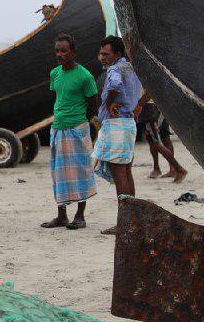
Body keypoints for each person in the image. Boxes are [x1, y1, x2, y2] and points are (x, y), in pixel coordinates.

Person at [41, 34, 99, 231]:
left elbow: (93, 104)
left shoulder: (85, 76)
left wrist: (80, 120)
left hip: (77, 129)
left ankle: (80, 216)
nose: (59, 54)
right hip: (58, 129)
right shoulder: (55, 73)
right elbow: (59, 97)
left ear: (73, 52)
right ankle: (61, 216)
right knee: (59, 174)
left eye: (64, 50)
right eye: (57, 50)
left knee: (81, 171)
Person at [92, 35, 141, 234]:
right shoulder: (131, 68)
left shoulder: (115, 70)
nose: (102, 57)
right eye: (101, 53)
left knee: (119, 173)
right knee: (126, 172)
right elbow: (148, 90)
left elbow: (113, 85)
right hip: (128, 123)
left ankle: (124, 222)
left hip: (116, 124)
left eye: (106, 54)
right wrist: (138, 105)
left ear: (117, 54)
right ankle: (133, 218)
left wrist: (111, 102)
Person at [136, 93, 187, 182]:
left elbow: (149, 92)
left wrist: (138, 104)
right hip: (155, 106)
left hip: (151, 107)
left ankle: (177, 169)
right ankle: (164, 169)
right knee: (154, 140)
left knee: (155, 140)